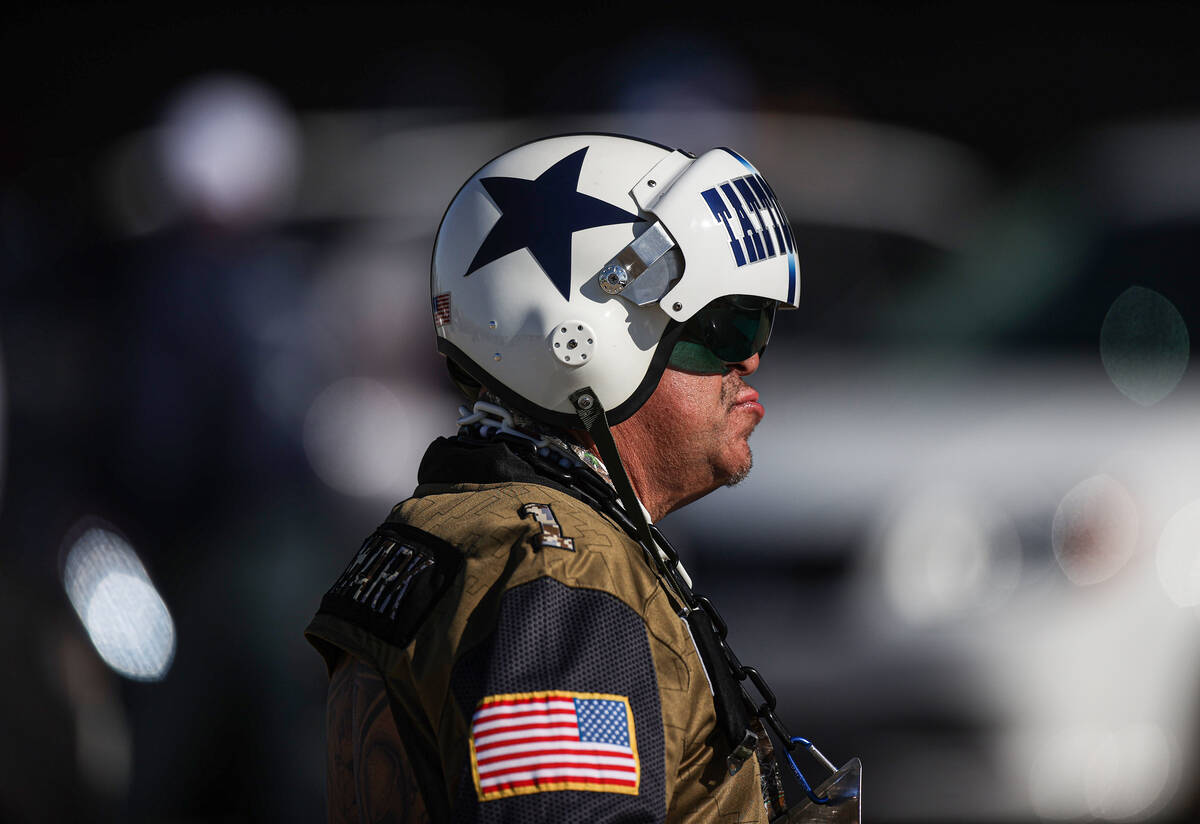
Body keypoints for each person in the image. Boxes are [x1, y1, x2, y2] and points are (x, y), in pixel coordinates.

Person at [305, 134, 853, 823]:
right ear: (583, 342)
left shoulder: (456, 530)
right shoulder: (559, 574)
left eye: (760, 328)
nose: (750, 361)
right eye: (727, 328)